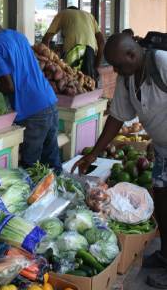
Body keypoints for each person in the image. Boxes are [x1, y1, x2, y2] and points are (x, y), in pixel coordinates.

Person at [71, 33, 167, 288]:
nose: (114, 70)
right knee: (162, 198)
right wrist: (93, 153)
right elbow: (117, 118)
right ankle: (165, 253)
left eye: (117, 64)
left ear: (132, 55)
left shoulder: (162, 64)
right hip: (161, 148)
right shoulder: (127, 77)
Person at [0, 5, 63, 175]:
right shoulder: (19, 36)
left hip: (31, 112)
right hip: (50, 103)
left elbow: (8, 86)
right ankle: (63, 196)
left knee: (32, 167)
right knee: (52, 161)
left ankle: (37, 200)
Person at [42, 6, 105, 82]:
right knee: (87, 83)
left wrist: (43, 61)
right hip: (90, 50)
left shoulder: (64, 13)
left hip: (74, 49)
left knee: (70, 82)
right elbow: (101, 40)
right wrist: (98, 67)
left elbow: (47, 38)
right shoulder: (89, 16)